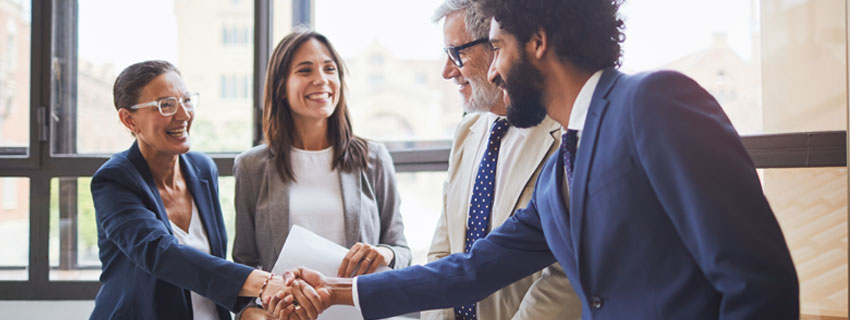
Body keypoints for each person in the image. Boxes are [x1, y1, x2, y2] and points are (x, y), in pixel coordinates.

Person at [270, 0, 801, 319]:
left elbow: (758, 281)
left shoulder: (654, 102)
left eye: (497, 48)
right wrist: (339, 292)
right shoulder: (558, 176)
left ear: (538, 42)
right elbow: (472, 269)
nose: (492, 72)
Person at [91, 60, 301, 319]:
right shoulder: (115, 181)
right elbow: (161, 254)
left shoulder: (202, 169)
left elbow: (210, 262)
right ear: (129, 119)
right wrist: (264, 282)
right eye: (166, 105)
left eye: (187, 100)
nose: (183, 115)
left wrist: (253, 306)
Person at [232, 28, 411, 319]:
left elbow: (401, 249)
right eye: (305, 70)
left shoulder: (373, 158)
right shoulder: (252, 167)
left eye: (330, 69)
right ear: (281, 87)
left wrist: (385, 254)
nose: (321, 79)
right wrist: (255, 313)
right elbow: (245, 265)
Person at [424, 1, 579, 319]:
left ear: (498, 45)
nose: (447, 70)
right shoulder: (468, 130)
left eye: (458, 53)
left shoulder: (566, 136)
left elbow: (566, 274)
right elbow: (444, 246)